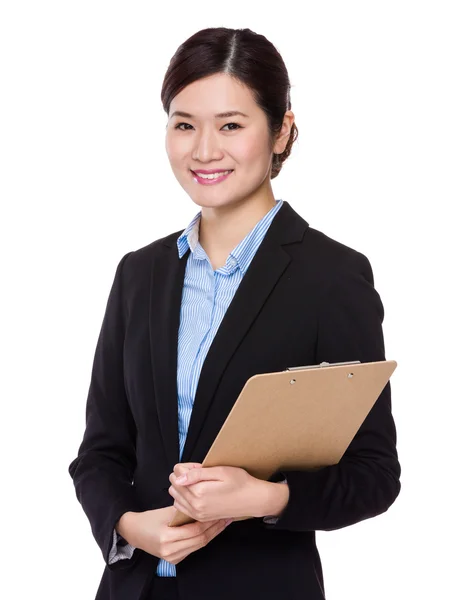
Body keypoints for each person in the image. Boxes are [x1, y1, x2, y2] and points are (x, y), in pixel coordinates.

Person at [68, 26, 401, 600]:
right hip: (135, 588)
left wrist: (267, 498)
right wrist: (128, 526)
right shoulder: (138, 274)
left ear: (281, 131)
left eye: (230, 125)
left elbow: (373, 475)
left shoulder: (331, 276)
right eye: (183, 124)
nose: (203, 151)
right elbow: (100, 453)